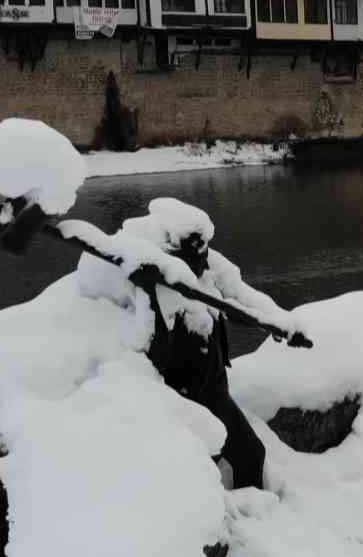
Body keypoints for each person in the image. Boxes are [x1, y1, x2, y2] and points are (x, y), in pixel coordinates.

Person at [125, 199, 307, 490]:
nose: (202, 258)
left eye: (204, 249)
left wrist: (281, 325)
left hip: (215, 394)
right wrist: (147, 290)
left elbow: (242, 300)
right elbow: (156, 355)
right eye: (194, 251)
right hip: (182, 403)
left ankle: (256, 508)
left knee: (251, 455)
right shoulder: (162, 287)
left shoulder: (210, 267)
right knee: (197, 476)